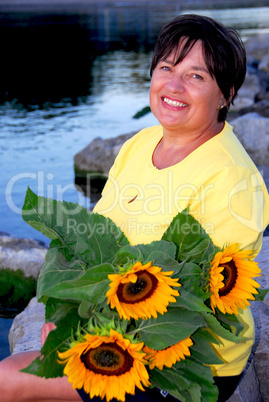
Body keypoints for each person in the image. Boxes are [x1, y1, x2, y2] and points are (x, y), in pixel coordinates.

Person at [0, 14, 268, 402]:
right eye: (166, 67)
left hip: (184, 365)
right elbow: (90, 239)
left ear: (225, 93)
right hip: (119, 331)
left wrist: (83, 337)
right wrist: (64, 317)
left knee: (7, 382)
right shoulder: (141, 144)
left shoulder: (231, 180)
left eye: (196, 76)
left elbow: (195, 311)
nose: (173, 85)